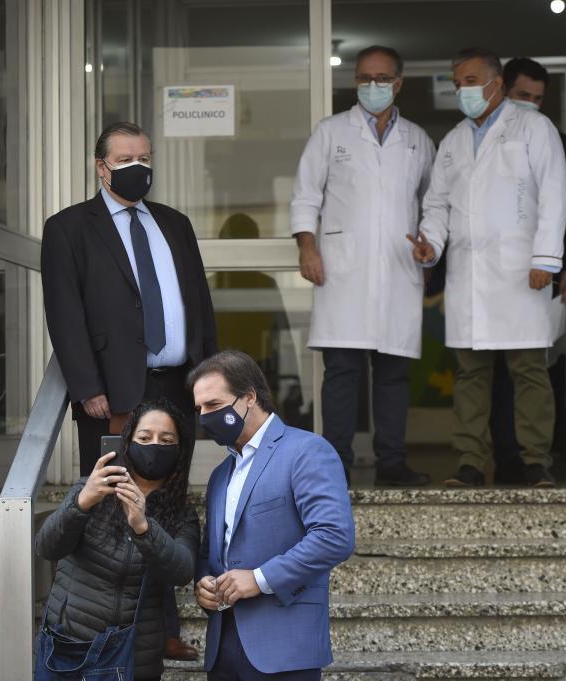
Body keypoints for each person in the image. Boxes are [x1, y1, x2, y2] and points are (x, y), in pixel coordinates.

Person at [40, 121, 215, 660]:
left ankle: (163, 630)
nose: (140, 166)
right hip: (112, 394)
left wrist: (207, 381)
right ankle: (106, 634)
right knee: (114, 510)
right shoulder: (69, 227)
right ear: (102, 167)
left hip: (175, 385)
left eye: (146, 156)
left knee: (168, 508)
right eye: (126, 158)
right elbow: (64, 312)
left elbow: (199, 305)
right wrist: (85, 387)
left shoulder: (175, 224)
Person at [412, 48, 566, 488]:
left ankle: (536, 460)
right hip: (470, 276)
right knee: (471, 375)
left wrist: (546, 260)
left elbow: (555, 196)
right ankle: (468, 461)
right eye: (457, 80)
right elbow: (437, 203)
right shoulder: (454, 141)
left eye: (469, 80)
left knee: (530, 373)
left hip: (522, 272)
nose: (462, 89)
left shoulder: (534, 128)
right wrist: (432, 245)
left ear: (496, 84)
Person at [290, 45, 436, 487]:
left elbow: (435, 202)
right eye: (364, 78)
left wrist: (431, 243)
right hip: (343, 270)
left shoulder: (417, 139)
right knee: (342, 373)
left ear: (399, 82)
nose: (372, 86)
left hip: (397, 270)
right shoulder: (331, 132)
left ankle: (392, 462)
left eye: (381, 78)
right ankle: (336, 466)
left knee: (392, 373)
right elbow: (305, 195)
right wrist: (307, 247)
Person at [190, 350, 355, 680]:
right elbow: (213, 549)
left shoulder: (306, 450)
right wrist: (203, 583)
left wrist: (259, 578)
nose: (204, 416)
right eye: (199, 409)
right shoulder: (221, 474)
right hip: (223, 650)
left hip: (285, 650)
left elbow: (334, 536)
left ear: (249, 397)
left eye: (213, 405)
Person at [34, 398, 200, 681]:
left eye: (166, 440)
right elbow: (47, 547)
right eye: (145, 437)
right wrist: (83, 502)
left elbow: (182, 570)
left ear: (179, 450)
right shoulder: (91, 487)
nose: (154, 446)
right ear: (128, 442)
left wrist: (143, 527)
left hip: (132, 656)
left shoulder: (182, 514)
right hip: (67, 647)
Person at [490, 57, 566, 484]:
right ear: (502, 90)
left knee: (535, 365)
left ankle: (538, 458)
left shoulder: (556, 139)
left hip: (541, 271)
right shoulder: (480, 136)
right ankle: (505, 456)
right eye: (522, 95)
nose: (530, 104)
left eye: (538, 98)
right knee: (492, 368)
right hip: (490, 272)